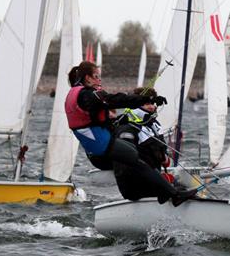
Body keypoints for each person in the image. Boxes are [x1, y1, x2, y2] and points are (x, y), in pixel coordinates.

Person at [65, 61, 196, 206]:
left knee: (135, 157)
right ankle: (171, 194)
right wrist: (148, 98)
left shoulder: (77, 93)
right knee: (136, 159)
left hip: (97, 146)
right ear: (87, 78)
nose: (99, 80)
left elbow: (95, 119)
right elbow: (117, 100)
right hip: (101, 146)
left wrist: (121, 120)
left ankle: (163, 191)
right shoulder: (86, 95)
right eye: (96, 76)